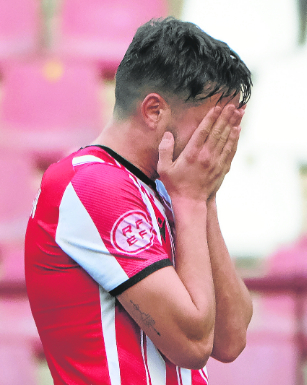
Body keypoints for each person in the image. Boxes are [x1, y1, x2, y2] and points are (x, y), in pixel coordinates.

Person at [25, 17, 253, 384]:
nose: (218, 142)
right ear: (153, 111)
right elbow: (192, 345)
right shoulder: (90, 183)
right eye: (211, 124)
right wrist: (193, 199)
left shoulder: (168, 188)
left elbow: (230, 339)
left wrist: (204, 198)